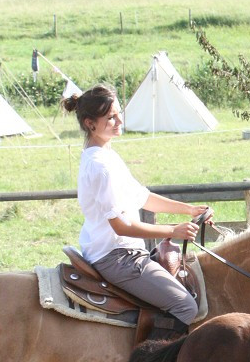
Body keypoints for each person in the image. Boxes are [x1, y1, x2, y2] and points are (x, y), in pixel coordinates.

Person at [63, 83, 211, 333]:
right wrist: (172, 231)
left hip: (117, 251)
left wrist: (190, 210)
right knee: (186, 306)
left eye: (119, 113)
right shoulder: (101, 166)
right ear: (90, 124)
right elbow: (121, 225)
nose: (120, 120)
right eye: (111, 117)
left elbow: (143, 198)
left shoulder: (105, 155)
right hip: (117, 257)